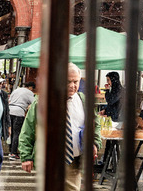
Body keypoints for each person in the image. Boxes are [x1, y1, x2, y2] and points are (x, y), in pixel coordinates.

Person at [19, 63, 101, 191]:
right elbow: (28, 129)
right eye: (68, 81)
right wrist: (26, 157)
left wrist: (95, 143)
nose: (72, 86)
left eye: (75, 81)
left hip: (74, 161)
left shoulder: (84, 100)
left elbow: (95, 124)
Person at [7, 81, 36, 159]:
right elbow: (34, 103)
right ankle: (13, 153)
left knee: (12, 132)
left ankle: (10, 151)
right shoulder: (29, 92)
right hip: (18, 112)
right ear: (30, 87)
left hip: (9, 111)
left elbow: (9, 100)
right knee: (17, 133)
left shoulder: (16, 90)